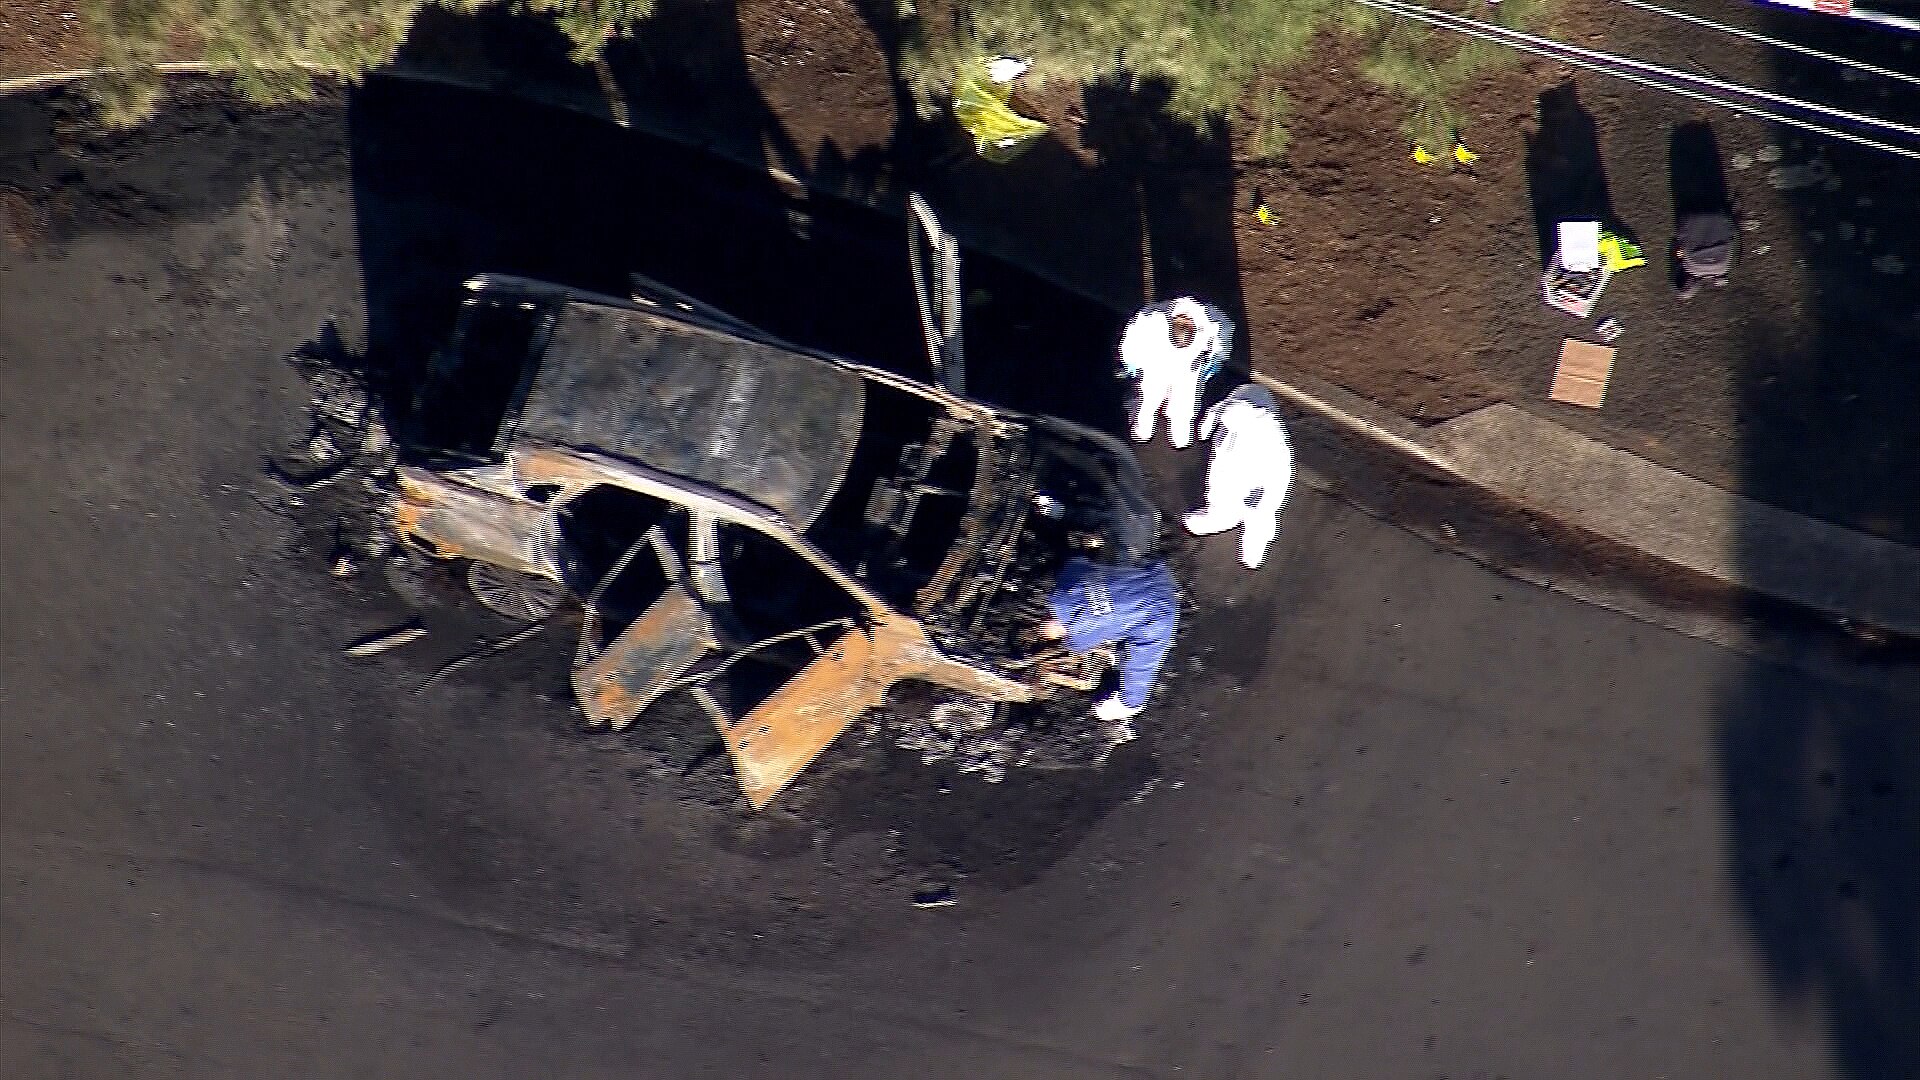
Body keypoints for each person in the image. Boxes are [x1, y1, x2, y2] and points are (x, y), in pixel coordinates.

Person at [1039, 556, 1178, 725]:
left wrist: (1129, 704)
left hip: (1158, 601)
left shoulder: (1157, 623)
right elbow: (1076, 563)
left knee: (1139, 654)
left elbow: (1142, 668)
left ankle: (1118, 659)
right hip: (1151, 578)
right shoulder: (1072, 577)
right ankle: (1118, 653)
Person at [1184, 383, 1294, 570]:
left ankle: (1253, 552)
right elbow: (1218, 411)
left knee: (1260, 516)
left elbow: (1280, 477)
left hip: (1256, 480)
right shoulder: (1234, 410)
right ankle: (1221, 515)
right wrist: (1208, 424)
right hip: (1230, 467)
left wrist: (1265, 499)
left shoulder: (1273, 442)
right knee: (1220, 496)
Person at [1118, 297, 1235, 449]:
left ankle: (1180, 435)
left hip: (1189, 371)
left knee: (1185, 405)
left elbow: (1223, 341)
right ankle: (1143, 430)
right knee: (1149, 399)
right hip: (1157, 365)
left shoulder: (1213, 324)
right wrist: (1131, 363)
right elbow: (1130, 341)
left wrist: (1215, 362)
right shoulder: (1150, 319)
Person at [1675, 209, 1735, 299]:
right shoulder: (1689, 266)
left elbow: (1732, 238)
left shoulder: (1724, 267)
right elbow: (1680, 244)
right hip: (1691, 215)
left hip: (1719, 214)